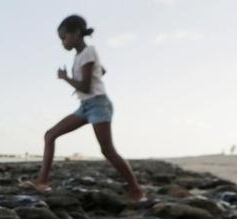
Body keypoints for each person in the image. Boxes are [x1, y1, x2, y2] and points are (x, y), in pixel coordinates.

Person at [24, 15, 146, 201]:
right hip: (86, 106)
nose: (63, 42)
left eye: (64, 37)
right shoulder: (82, 55)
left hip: (98, 104)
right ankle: (42, 181)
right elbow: (102, 70)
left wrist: (65, 78)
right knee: (50, 135)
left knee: (107, 150)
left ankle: (136, 190)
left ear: (76, 33)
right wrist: (96, 70)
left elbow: (86, 86)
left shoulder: (88, 52)